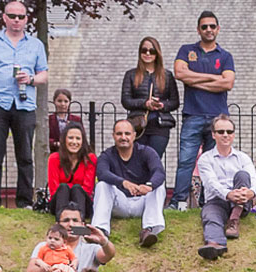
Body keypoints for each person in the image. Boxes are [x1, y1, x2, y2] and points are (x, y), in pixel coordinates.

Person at [0, 0, 48, 209]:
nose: (16, 20)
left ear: (27, 19)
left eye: (21, 17)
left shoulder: (36, 45)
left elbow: (44, 74)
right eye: (12, 16)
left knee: (25, 155)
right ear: (4, 18)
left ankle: (25, 201)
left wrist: (31, 79)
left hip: (25, 105)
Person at [172, 11, 235, 210]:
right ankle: (178, 201)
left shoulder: (225, 56)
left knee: (212, 163)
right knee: (186, 161)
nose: (209, 29)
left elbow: (229, 83)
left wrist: (195, 79)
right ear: (198, 29)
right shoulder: (186, 50)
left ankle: (206, 202)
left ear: (218, 29)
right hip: (193, 114)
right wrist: (214, 78)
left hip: (218, 118)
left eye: (212, 26)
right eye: (204, 26)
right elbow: (179, 73)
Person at [91, 117, 166, 247]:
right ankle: (100, 230)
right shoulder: (107, 155)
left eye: (127, 134)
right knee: (102, 185)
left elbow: (159, 171)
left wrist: (149, 186)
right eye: (119, 134)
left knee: (159, 187)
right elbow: (102, 173)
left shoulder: (147, 152)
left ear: (134, 135)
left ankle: (149, 230)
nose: (123, 137)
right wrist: (123, 182)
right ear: (113, 136)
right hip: (120, 203)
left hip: (143, 202)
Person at [197, 115, 256, 260]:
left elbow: (254, 179)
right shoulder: (205, 158)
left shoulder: (243, 157)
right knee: (210, 216)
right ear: (213, 135)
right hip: (217, 200)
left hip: (242, 201)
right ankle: (214, 244)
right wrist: (228, 194)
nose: (225, 135)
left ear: (234, 135)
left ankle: (234, 219)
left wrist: (251, 192)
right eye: (221, 131)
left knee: (243, 175)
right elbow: (210, 183)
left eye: (229, 132)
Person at [120, 36, 179, 160]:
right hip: (138, 124)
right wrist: (144, 104)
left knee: (154, 160)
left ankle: (153, 180)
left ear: (157, 53)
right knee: (137, 160)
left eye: (151, 51)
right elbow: (126, 101)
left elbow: (175, 102)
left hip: (160, 125)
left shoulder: (167, 76)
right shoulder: (131, 74)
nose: (147, 53)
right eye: (144, 50)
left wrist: (162, 105)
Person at [46, 123, 94, 219]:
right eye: (71, 138)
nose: (74, 142)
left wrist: (72, 189)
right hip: (59, 201)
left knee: (77, 189)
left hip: (82, 201)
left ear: (83, 141)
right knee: (63, 188)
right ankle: (61, 221)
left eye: (78, 138)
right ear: (64, 140)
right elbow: (54, 189)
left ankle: (80, 221)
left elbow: (87, 189)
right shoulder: (54, 158)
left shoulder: (90, 159)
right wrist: (68, 189)